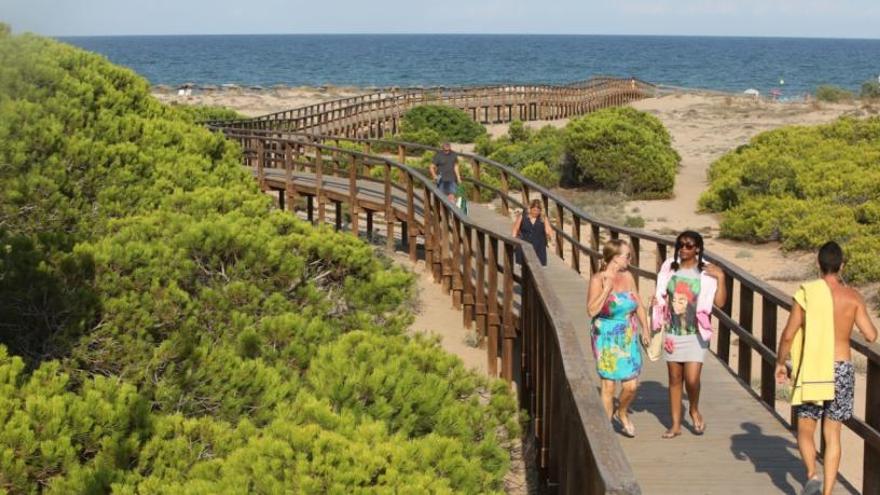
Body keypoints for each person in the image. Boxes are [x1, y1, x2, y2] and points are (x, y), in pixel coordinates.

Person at [775, 241, 877, 495]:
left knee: (806, 427)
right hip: (841, 368)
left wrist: (780, 362)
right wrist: (854, 309)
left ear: (818, 264)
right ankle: (828, 492)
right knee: (833, 434)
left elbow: (788, 334)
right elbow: (871, 335)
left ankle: (812, 474)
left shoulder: (808, 293)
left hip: (813, 367)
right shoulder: (852, 296)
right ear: (841, 266)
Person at [651, 231, 727, 439]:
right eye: (681, 245)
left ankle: (693, 409)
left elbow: (719, 303)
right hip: (673, 332)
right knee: (675, 379)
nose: (684, 249)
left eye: (689, 245)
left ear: (698, 249)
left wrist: (720, 277)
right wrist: (657, 305)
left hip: (696, 333)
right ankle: (675, 425)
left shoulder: (706, 272)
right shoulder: (669, 268)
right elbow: (661, 293)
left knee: (692, 380)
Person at [587, 239, 651, 437]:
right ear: (615, 258)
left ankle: (622, 412)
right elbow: (591, 310)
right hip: (605, 335)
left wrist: (646, 328)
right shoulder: (598, 279)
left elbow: (638, 303)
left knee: (631, 386)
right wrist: (606, 290)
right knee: (608, 385)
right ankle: (606, 433)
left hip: (627, 335)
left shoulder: (629, 276)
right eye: (627, 256)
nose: (630, 259)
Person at [511, 199, 553, 266]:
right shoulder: (523, 216)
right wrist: (513, 241)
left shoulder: (543, 218)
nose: (536, 212)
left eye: (538, 211)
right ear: (530, 209)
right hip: (524, 244)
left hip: (539, 247)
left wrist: (550, 236)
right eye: (534, 210)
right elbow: (515, 229)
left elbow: (548, 230)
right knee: (523, 267)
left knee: (538, 268)